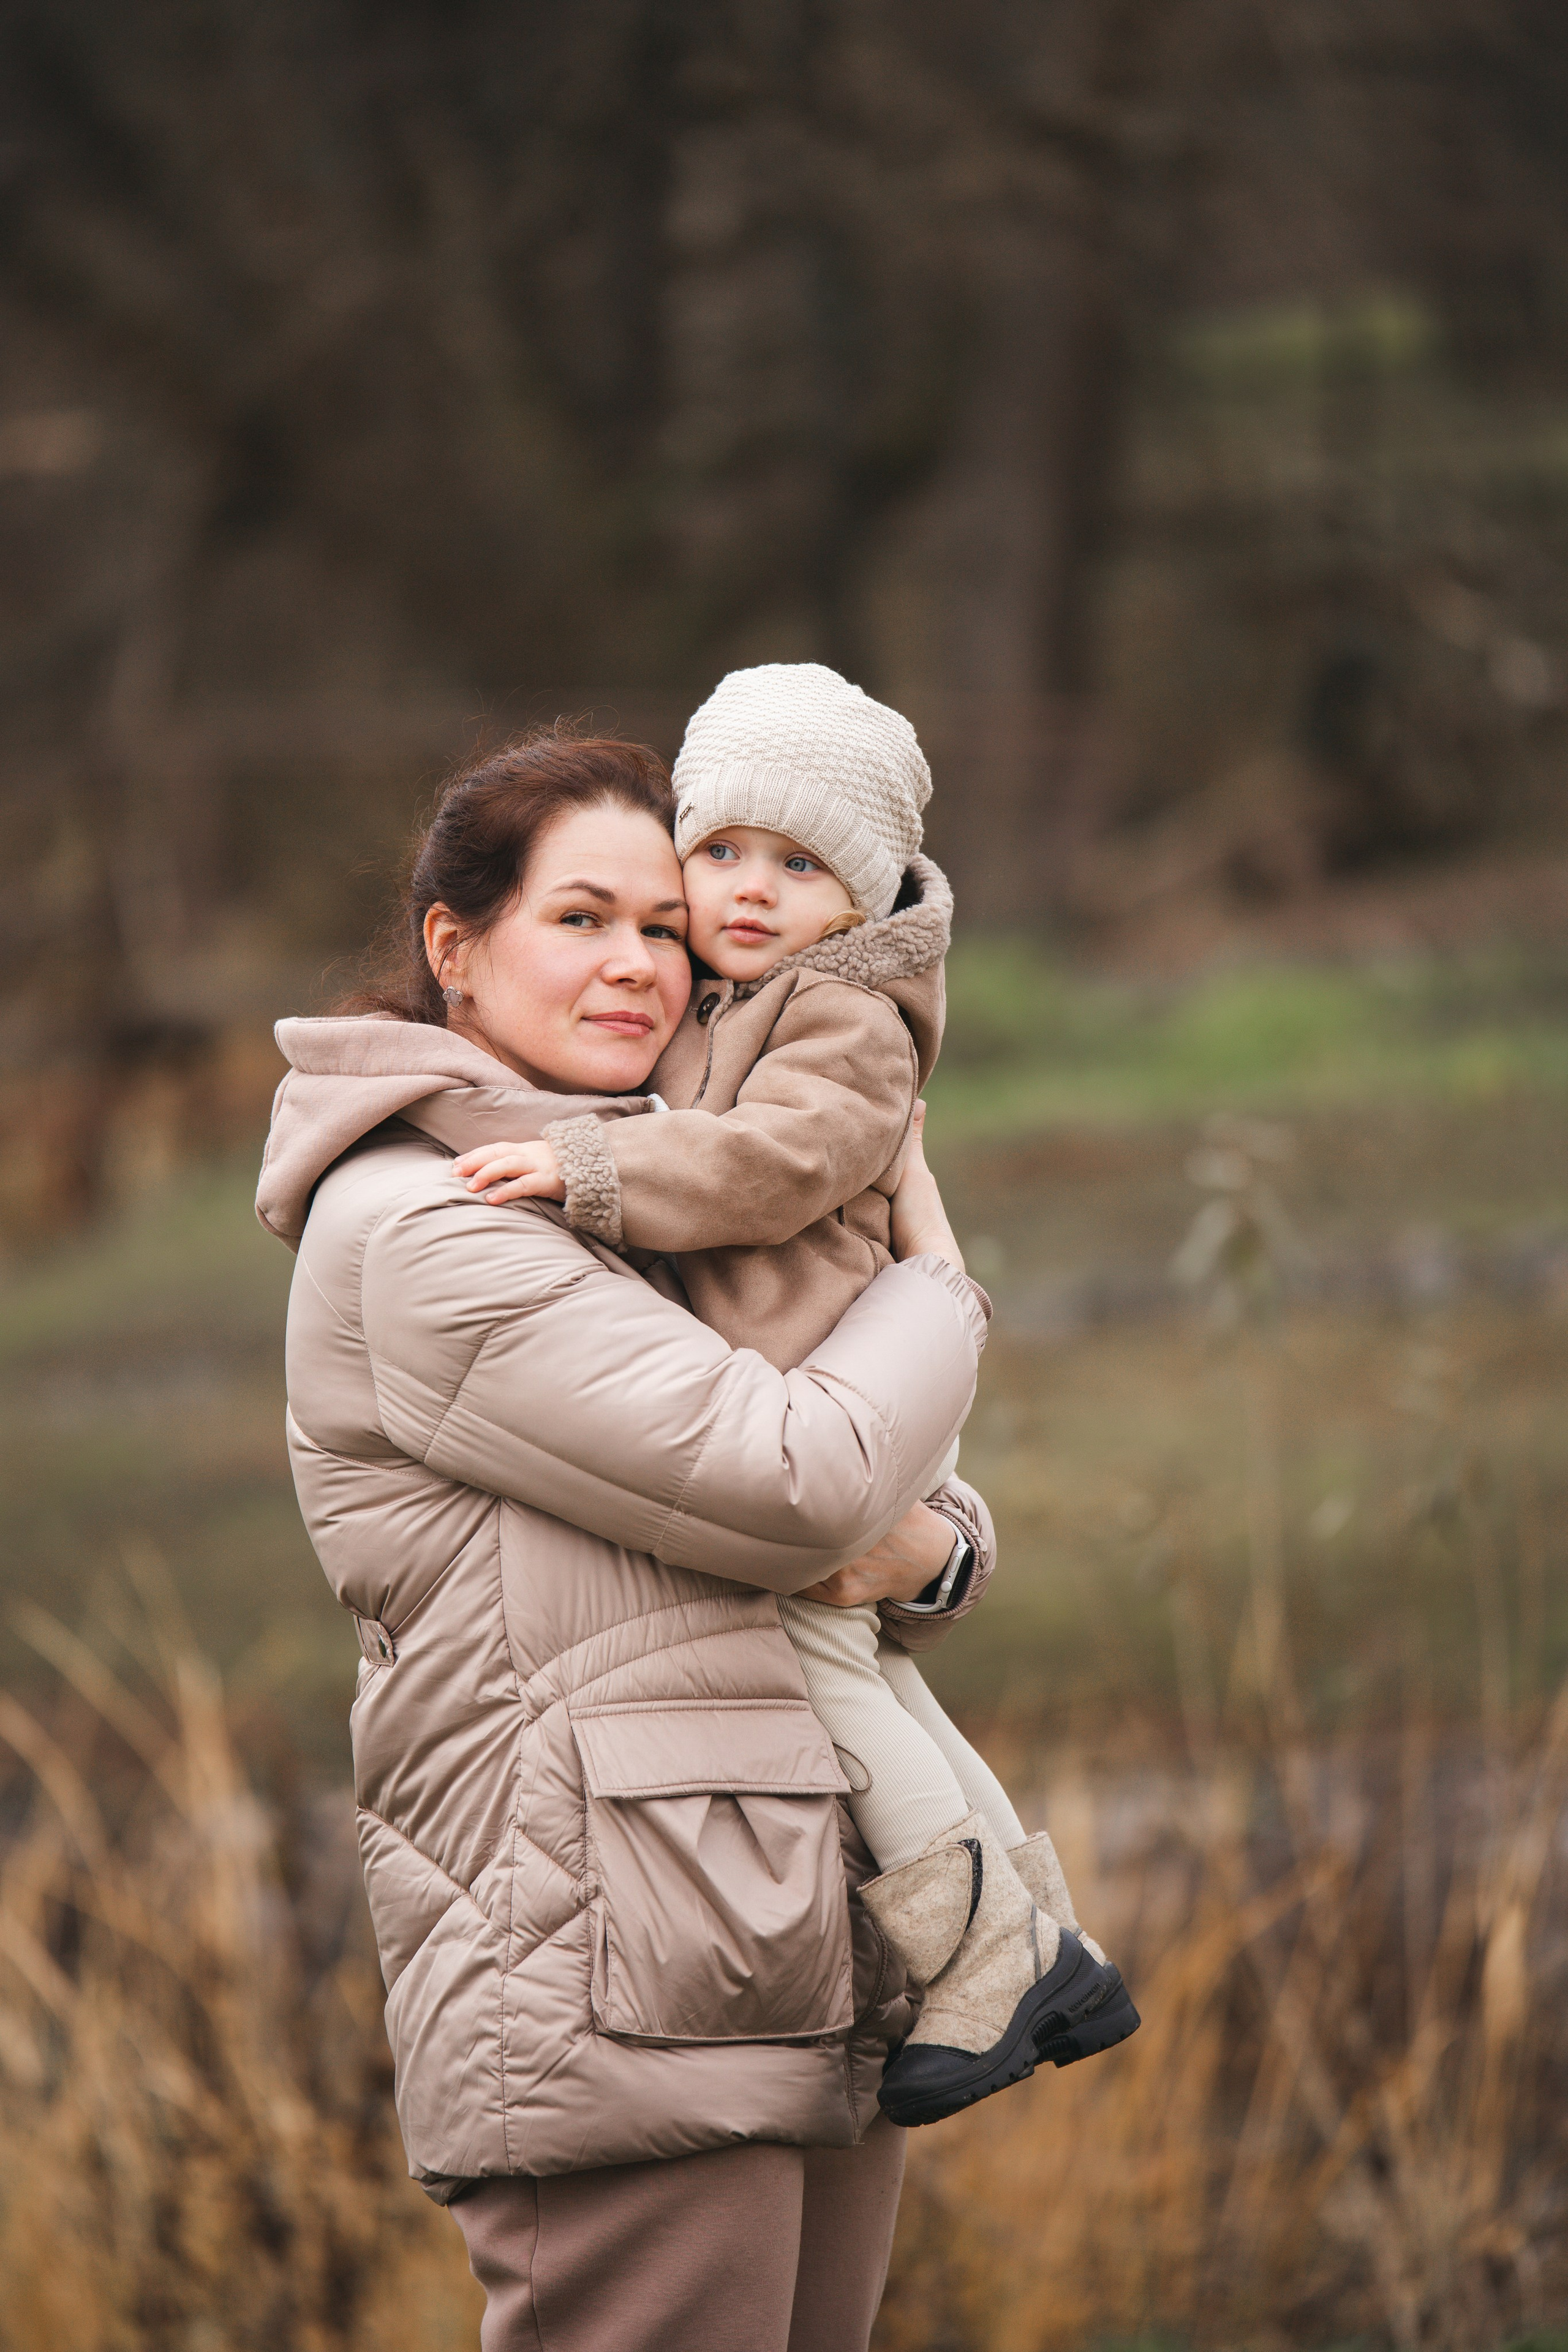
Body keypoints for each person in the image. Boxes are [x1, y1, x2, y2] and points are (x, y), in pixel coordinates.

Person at [257, 729, 998, 2352]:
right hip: (606, 1966)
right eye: (581, 920)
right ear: (455, 949)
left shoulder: (627, 1183)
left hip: (773, 1925)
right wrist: (937, 1280)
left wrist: (939, 1554)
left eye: (665, 928)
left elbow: (854, 1514)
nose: (638, 967)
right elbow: (798, 1480)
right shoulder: (428, 1230)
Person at [442, 667, 1137, 2130]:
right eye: (722, 852)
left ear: (867, 891)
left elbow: (769, 1168)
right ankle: (1038, 1925)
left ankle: (973, 1952)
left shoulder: (844, 1020)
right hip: (833, 1373)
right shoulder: (730, 992)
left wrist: (592, 1174)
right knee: (875, 1666)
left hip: (849, 1377)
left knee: (824, 1661)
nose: (747, 891)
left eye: (800, 863)